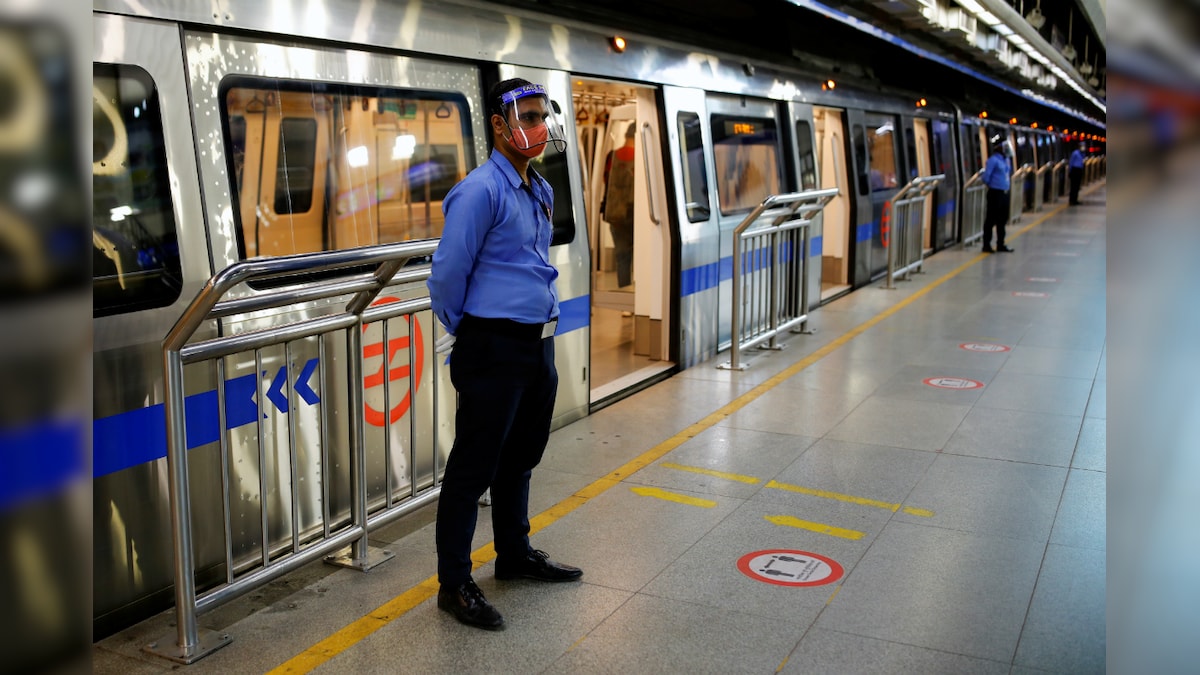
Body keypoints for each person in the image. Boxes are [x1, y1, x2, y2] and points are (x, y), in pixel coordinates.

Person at [426, 78, 582, 632]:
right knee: (473, 468)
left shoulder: (536, 186)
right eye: (530, 116)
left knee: (522, 456)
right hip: (492, 345)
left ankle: (514, 555)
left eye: (544, 116)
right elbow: (446, 274)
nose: (540, 127)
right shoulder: (480, 191)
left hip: (536, 344)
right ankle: (455, 584)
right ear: (499, 125)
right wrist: (466, 330)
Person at [602, 123, 636, 288]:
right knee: (641, 257)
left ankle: (624, 295)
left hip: (615, 213)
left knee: (622, 256)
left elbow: (605, 181)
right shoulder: (641, 157)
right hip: (635, 213)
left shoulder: (612, 156)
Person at [981, 138, 1014, 253]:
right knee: (990, 219)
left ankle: (1001, 244)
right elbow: (986, 177)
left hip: (1004, 193)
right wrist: (994, 185)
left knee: (1002, 220)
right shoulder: (992, 160)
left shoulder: (1006, 160)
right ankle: (986, 245)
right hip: (995, 193)